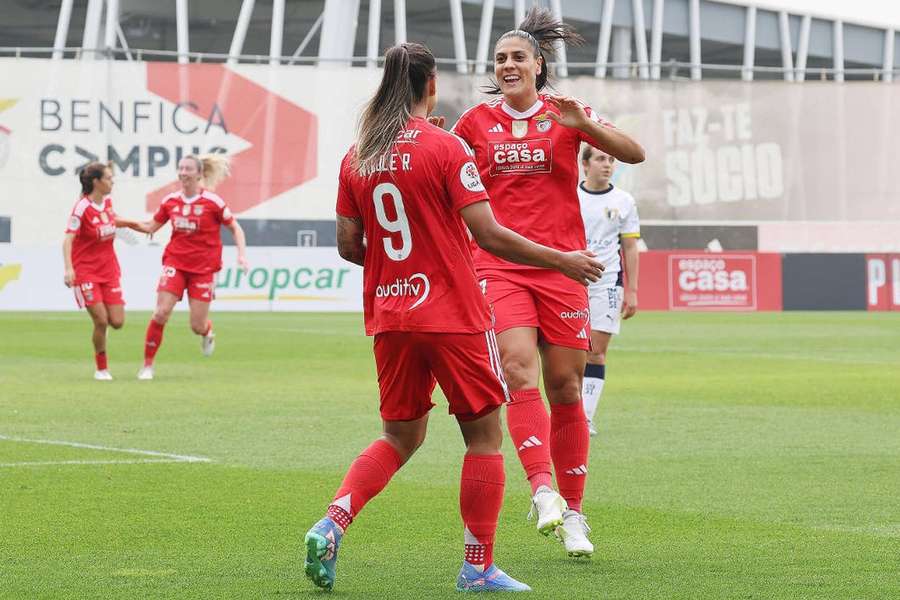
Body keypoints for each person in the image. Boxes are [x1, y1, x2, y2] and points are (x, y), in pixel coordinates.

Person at [303, 42, 602, 593]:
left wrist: (399, 265)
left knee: (398, 435)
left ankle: (332, 523)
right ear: (431, 85)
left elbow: (348, 243)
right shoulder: (445, 147)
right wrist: (562, 260)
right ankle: (477, 566)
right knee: (485, 439)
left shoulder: (358, 155)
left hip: (391, 315)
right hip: (453, 314)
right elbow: (488, 235)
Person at [450, 7, 645, 558]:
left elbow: (634, 152)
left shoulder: (566, 114)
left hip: (563, 267)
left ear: (539, 64)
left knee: (566, 389)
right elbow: (449, 183)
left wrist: (584, 127)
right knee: (517, 368)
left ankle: (576, 514)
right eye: (500, 59)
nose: (508, 65)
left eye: (517, 57)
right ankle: (542, 490)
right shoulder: (473, 123)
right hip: (498, 266)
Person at [136, 155, 248, 380]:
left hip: (204, 269)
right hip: (175, 263)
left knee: (196, 325)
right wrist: (121, 222)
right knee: (161, 312)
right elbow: (150, 226)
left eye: (188, 169)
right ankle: (147, 365)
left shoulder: (213, 202)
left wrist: (242, 255)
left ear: (199, 174)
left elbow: (235, 228)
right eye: (181, 168)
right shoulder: (170, 201)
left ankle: (207, 332)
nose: (183, 172)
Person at [63, 162, 147, 380]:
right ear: (96, 182)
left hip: (109, 271)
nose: (112, 182)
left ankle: (102, 334)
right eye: (109, 178)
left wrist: (135, 224)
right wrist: (69, 269)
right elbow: (68, 239)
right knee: (101, 320)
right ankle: (101, 368)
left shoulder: (107, 203)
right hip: (85, 272)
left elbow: (112, 220)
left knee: (117, 322)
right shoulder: (81, 207)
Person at [578, 146, 640, 436]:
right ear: (585, 164)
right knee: (570, 353)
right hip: (571, 280)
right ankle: (571, 410)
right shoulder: (570, 196)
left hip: (607, 283)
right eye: (601, 159)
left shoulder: (624, 201)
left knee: (596, 352)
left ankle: (585, 416)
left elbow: (629, 246)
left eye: (611, 160)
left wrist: (632, 290)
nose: (608, 165)